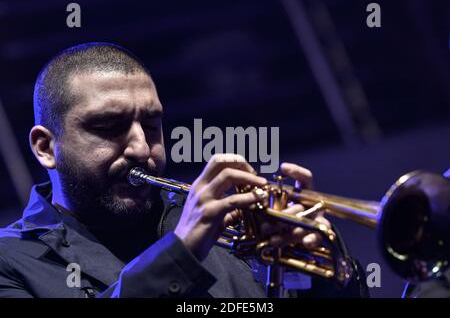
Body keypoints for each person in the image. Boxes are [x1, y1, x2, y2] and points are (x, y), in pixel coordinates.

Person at [0, 42, 367, 298]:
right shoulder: (10, 262)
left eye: (152, 124)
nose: (142, 148)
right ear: (46, 147)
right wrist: (180, 253)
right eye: (108, 127)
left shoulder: (227, 236)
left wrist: (322, 272)